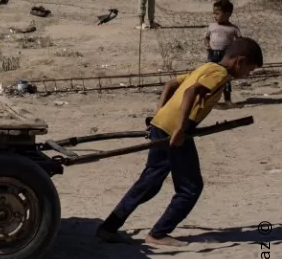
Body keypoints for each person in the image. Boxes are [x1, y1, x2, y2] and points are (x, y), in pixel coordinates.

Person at [96, 37, 263, 247]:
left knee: (150, 183)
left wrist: (158, 113)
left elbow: (172, 84)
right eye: (250, 69)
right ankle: (158, 233)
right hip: (175, 130)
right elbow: (190, 92)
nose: (248, 74)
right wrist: (181, 129)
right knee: (190, 187)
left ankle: (109, 227)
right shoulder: (220, 74)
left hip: (162, 125)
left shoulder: (207, 66)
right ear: (239, 61)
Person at [204, 0, 240, 104]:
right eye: (214, 13)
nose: (214, 16)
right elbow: (206, 37)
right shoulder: (212, 26)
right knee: (210, 75)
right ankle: (210, 99)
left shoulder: (233, 29)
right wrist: (207, 45)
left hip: (226, 56)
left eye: (217, 13)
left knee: (226, 77)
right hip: (212, 54)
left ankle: (227, 99)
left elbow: (240, 42)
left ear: (227, 14)